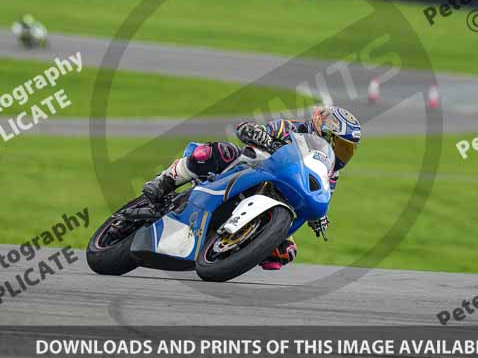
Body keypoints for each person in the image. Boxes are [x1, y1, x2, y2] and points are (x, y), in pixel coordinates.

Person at [142, 105, 361, 270]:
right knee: (219, 152)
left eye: (347, 149)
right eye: (338, 144)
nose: (341, 153)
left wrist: (318, 217)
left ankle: (236, 247)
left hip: (277, 196)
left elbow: (317, 194)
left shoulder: (330, 171)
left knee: (285, 253)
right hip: (250, 168)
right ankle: (166, 180)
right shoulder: (292, 128)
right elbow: (248, 129)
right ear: (322, 131)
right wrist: (258, 133)